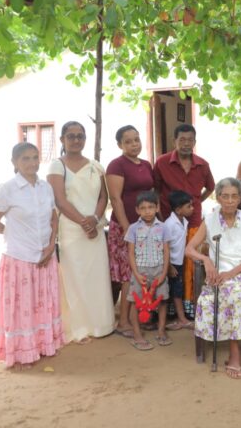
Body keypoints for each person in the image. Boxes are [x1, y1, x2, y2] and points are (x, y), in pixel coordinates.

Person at [186, 178, 241, 379]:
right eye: (225, 196)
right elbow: (189, 248)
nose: (230, 201)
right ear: (218, 198)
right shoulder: (209, 220)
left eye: (234, 196)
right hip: (221, 276)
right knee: (235, 293)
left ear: (240, 198)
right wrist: (206, 261)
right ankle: (234, 353)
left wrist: (232, 273)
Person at [0, 143, 63, 368]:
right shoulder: (7, 189)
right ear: (15, 163)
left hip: (45, 256)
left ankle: (43, 345)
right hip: (19, 258)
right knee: (22, 308)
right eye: (25, 159)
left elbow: (53, 217)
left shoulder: (45, 187)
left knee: (43, 303)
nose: (32, 163)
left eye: (35, 157)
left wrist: (51, 245)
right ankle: (21, 352)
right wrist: (14, 236)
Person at [47, 121, 114, 343]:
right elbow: (59, 199)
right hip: (72, 230)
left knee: (97, 275)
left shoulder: (96, 166)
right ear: (62, 140)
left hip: (94, 229)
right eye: (71, 136)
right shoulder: (57, 166)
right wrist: (83, 223)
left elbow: (104, 196)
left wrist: (94, 220)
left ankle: (101, 324)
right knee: (75, 277)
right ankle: (79, 327)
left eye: (80, 136)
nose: (76, 140)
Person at [154, 123, 215, 319]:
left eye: (190, 140)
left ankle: (190, 307)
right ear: (175, 141)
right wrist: (161, 215)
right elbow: (155, 190)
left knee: (191, 265)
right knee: (171, 263)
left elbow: (211, 188)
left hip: (194, 222)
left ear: (195, 142)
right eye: (182, 140)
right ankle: (170, 307)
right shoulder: (162, 162)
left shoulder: (203, 165)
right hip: (168, 221)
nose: (186, 144)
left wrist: (196, 202)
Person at [106, 125, 154, 338]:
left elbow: (151, 194)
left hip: (145, 226)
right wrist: (128, 229)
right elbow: (115, 199)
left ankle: (138, 317)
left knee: (141, 272)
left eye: (137, 139)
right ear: (120, 145)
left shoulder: (146, 164)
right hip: (125, 228)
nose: (134, 144)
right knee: (127, 275)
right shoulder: (117, 165)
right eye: (128, 141)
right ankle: (123, 321)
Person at [124, 191, 173, 350]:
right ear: (137, 210)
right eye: (143, 208)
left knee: (162, 300)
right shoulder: (133, 228)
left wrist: (164, 272)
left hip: (159, 269)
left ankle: (161, 331)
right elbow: (130, 253)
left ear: (157, 208)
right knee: (134, 302)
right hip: (141, 271)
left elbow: (166, 251)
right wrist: (136, 273)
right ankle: (137, 334)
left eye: (151, 207)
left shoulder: (164, 227)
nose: (147, 211)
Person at [164, 190, 196, 331]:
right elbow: (163, 247)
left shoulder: (184, 221)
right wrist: (169, 266)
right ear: (178, 209)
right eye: (188, 206)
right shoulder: (169, 224)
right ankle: (181, 319)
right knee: (175, 291)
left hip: (179, 262)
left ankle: (177, 319)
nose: (192, 209)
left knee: (177, 290)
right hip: (171, 264)